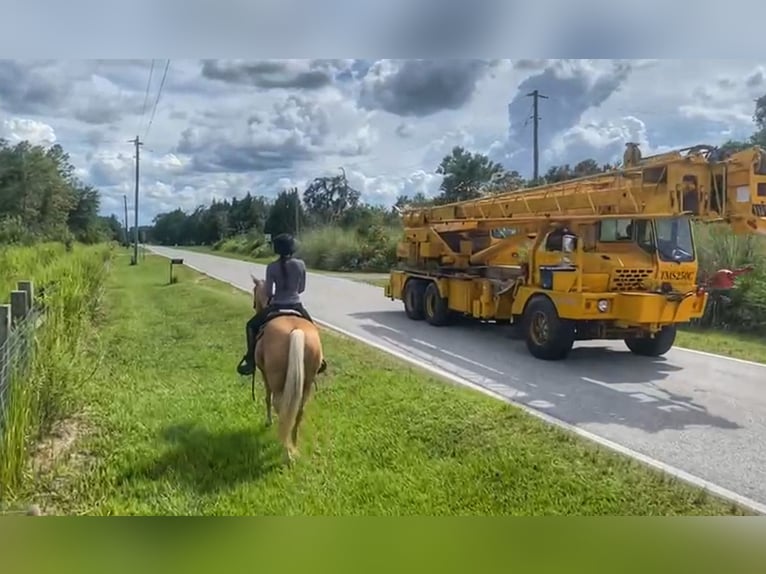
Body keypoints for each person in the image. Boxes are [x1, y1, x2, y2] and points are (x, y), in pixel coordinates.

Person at [236, 233, 327, 376]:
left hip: (276, 305)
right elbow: (301, 288)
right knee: (312, 328)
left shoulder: (271, 267)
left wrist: (274, 297)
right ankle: (320, 359)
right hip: (296, 305)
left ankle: (250, 360)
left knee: (251, 326)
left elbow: (268, 291)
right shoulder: (300, 265)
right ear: (292, 248)